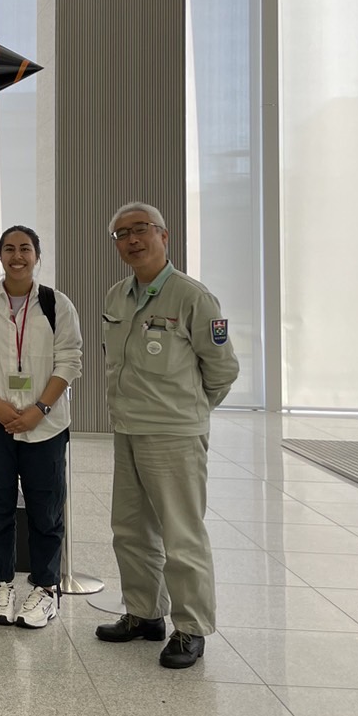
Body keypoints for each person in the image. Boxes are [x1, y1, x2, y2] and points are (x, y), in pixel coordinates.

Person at [96, 201, 239, 668]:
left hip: (174, 434)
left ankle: (192, 627)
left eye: (141, 230)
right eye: (122, 234)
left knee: (181, 534)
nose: (132, 240)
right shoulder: (117, 296)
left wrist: (189, 413)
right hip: (127, 430)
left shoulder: (193, 298)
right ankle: (143, 613)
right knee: (130, 530)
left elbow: (222, 370)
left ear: (164, 235)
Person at [0, 225, 83, 630]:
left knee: (46, 508)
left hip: (44, 423)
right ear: (0, 256)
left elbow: (69, 360)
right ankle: (2, 583)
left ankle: (46, 589)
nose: (17, 256)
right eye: (9, 249)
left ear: (37, 255)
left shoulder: (56, 304)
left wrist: (39, 408)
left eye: (25, 249)